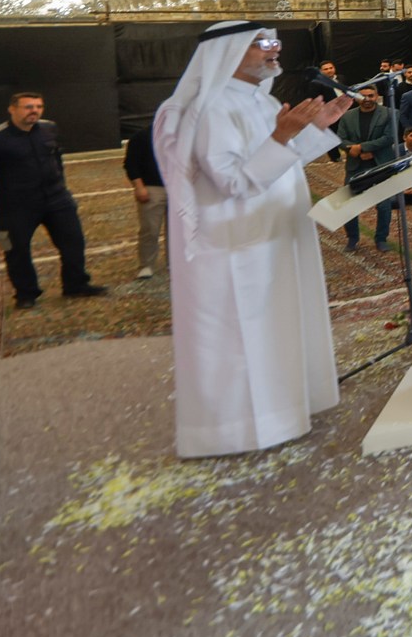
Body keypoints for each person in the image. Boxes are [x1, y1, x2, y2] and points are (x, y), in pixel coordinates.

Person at [151, 22, 355, 457]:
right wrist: (283, 135)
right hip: (235, 247)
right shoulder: (209, 108)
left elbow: (281, 163)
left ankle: (286, 409)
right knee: (241, 339)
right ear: (227, 52)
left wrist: (315, 128)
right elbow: (233, 182)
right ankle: (237, 430)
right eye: (261, 43)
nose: (273, 49)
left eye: (274, 41)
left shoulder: (262, 100)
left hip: (275, 235)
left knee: (276, 328)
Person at [0, 91, 105, 308]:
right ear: (12, 109)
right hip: (15, 206)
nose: (34, 111)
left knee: (73, 241)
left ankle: (76, 285)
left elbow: (56, 158)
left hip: (56, 200)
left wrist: (62, 187)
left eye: (38, 107)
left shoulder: (49, 128)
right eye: (28, 107)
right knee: (15, 250)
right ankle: (26, 294)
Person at [332, 84, 396, 252]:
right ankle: (352, 238)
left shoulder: (389, 113)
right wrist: (355, 150)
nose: (367, 99)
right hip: (356, 165)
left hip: (380, 164)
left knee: (383, 205)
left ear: (377, 96)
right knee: (348, 203)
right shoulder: (347, 116)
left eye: (370, 95)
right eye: (363, 96)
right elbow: (340, 139)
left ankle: (381, 239)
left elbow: (389, 138)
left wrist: (363, 148)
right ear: (356, 98)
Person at [123, 123, 166, 280]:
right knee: (150, 229)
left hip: (177, 188)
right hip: (152, 187)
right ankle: (146, 264)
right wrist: (139, 187)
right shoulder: (141, 137)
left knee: (178, 231)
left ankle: (176, 261)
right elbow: (131, 164)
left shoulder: (181, 135)